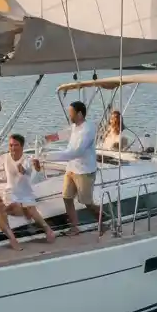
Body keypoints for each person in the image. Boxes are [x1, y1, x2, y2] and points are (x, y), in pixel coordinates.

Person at [45, 100, 102, 236]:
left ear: (80, 114)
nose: (69, 115)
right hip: (71, 169)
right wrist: (47, 138)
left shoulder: (88, 130)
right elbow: (62, 134)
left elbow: (76, 152)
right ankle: (74, 227)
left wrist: (48, 157)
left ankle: (105, 220)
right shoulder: (75, 126)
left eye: (71, 113)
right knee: (67, 197)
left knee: (86, 202)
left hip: (84, 171)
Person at [0, 134, 56, 243]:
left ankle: (48, 230)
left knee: (30, 208)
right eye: (11, 145)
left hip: (25, 193)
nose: (13, 148)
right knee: (14, 208)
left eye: (16, 145)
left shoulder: (27, 159)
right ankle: (26, 214)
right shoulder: (5, 157)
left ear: (22, 146)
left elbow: (27, 169)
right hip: (10, 192)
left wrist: (34, 167)